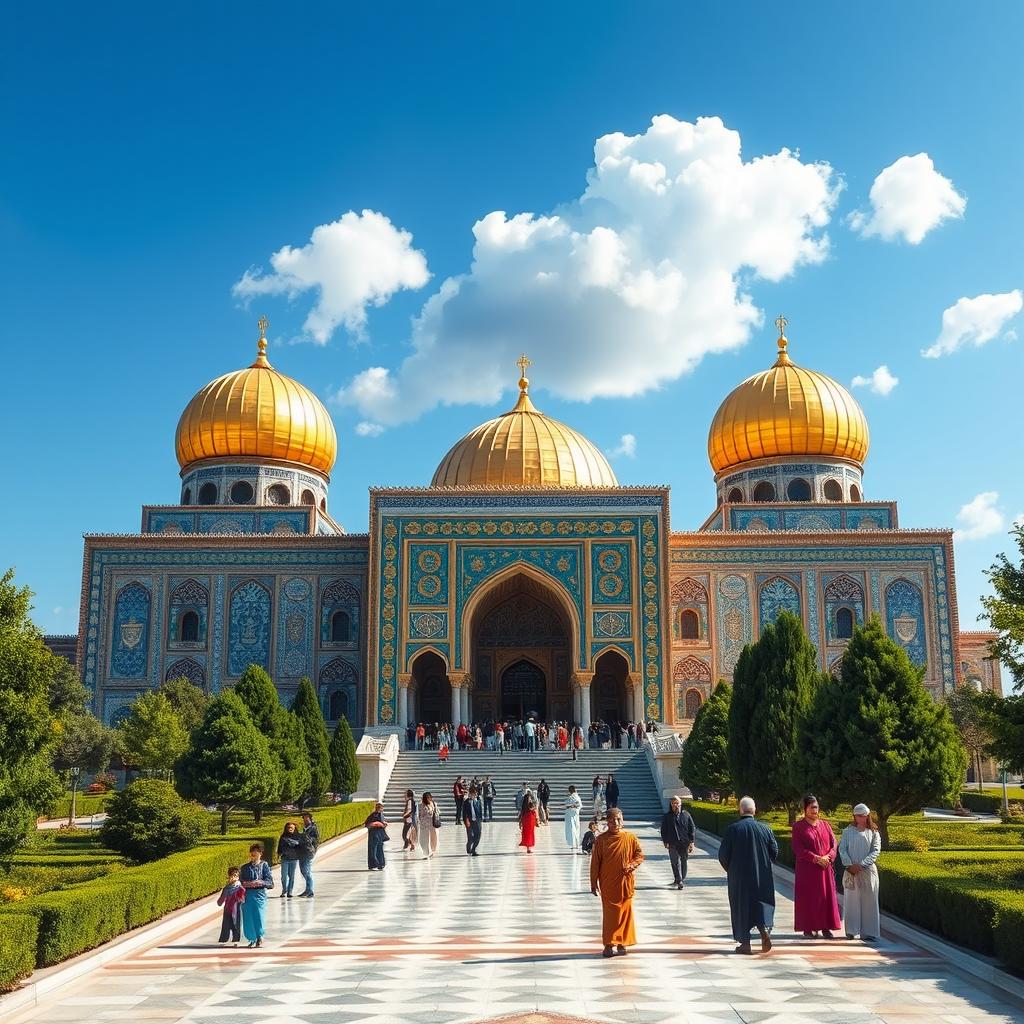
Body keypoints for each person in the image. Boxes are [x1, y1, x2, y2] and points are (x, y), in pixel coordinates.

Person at [717, 796, 778, 955]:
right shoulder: (765, 829)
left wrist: (731, 870)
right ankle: (764, 929)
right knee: (761, 903)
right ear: (754, 810)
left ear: (740, 810)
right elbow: (775, 852)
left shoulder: (733, 829)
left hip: (740, 878)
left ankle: (745, 943)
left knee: (742, 907)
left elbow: (723, 855)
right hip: (762, 876)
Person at [590, 807, 644, 958]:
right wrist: (593, 882)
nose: (616, 822)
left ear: (623, 820)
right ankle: (608, 944)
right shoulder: (601, 840)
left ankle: (622, 943)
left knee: (625, 914)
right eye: (612, 820)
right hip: (608, 883)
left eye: (619, 819)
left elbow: (639, 855)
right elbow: (595, 863)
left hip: (625, 883)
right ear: (607, 821)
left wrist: (632, 865)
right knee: (610, 914)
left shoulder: (630, 838)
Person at [792, 794, 841, 939]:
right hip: (808, 870)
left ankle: (826, 927)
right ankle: (809, 927)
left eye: (816, 807)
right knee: (810, 898)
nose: (815, 810)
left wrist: (829, 857)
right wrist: (815, 858)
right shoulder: (798, 827)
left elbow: (834, 844)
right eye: (812, 807)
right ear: (805, 809)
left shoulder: (825, 825)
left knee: (826, 897)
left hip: (825, 869)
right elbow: (797, 848)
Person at [838, 803, 882, 942]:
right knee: (851, 900)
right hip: (851, 871)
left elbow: (875, 851)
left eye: (863, 816)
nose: (861, 818)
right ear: (854, 816)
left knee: (870, 901)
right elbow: (842, 849)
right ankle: (851, 930)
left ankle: (869, 932)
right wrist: (849, 865)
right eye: (858, 816)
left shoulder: (874, 833)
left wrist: (862, 865)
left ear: (868, 816)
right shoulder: (847, 831)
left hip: (868, 871)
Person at [239, 843, 274, 947]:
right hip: (247, 894)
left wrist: (260, 882)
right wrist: (246, 884)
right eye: (252, 853)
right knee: (248, 916)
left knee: (259, 915)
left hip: (259, 894)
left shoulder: (264, 865)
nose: (254, 855)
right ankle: (251, 938)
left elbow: (270, 882)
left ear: (260, 854)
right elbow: (240, 881)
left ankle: (260, 936)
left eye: (256, 853)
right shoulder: (245, 867)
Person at [659, 796, 696, 889]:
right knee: (675, 862)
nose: (675, 805)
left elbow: (692, 828)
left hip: (684, 842)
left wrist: (691, 842)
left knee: (684, 861)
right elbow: (663, 830)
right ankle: (679, 880)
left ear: (680, 804)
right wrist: (665, 841)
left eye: (677, 803)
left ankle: (681, 879)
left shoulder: (686, 815)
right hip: (672, 842)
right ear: (671, 805)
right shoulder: (667, 816)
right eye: (673, 803)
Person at [216, 866, 245, 945]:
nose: (234, 877)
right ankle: (223, 939)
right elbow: (219, 902)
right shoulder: (226, 888)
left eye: (236, 876)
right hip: (228, 910)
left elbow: (242, 899)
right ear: (229, 876)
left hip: (237, 909)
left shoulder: (240, 888)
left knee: (237, 924)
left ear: (238, 877)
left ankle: (236, 939)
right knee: (226, 925)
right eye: (232, 875)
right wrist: (226, 889)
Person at [276, 821, 302, 897]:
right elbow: (279, 847)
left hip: (294, 859)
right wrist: (278, 854)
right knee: (284, 876)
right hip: (285, 859)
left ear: (294, 828)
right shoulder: (283, 836)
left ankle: (289, 892)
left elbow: (300, 847)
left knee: (292, 876)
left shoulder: (297, 837)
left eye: (291, 827)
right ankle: (284, 890)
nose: (290, 829)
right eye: (288, 827)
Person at [298, 811, 319, 898]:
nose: (305, 819)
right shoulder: (305, 828)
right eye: (304, 818)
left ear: (310, 818)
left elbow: (316, 840)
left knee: (307, 870)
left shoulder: (313, 828)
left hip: (309, 852)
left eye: (307, 818)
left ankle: (310, 890)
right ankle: (307, 889)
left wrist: (307, 840)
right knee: (303, 871)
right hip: (302, 852)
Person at [364, 802, 389, 870]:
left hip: (378, 834)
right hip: (374, 834)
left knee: (377, 849)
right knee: (374, 849)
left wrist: (382, 824)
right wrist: (377, 824)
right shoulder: (374, 815)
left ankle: (378, 864)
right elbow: (368, 824)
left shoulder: (380, 815)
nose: (382, 810)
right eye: (381, 808)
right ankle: (377, 864)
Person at [463, 784, 484, 855]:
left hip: (477, 821)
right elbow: (464, 813)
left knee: (478, 835)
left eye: (476, 793)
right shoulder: (466, 802)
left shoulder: (478, 801)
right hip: (469, 821)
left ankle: (474, 849)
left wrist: (480, 819)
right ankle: (469, 848)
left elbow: (480, 810)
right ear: (470, 794)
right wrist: (466, 822)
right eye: (473, 794)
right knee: (471, 837)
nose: (475, 795)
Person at [418, 792, 439, 859]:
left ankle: (432, 852)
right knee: (424, 840)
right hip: (424, 826)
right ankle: (426, 853)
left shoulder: (434, 804)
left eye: (429, 797)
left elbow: (438, 812)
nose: (428, 799)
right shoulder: (421, 805)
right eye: (426, 798)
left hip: (432, 825)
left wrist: (433, 812)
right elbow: (420, 815)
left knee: (433, 839)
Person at [564, 785, 583, 853]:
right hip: (576, 814)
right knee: (577, 828)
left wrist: (571, 806)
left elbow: (566, 804)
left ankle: (573, 843)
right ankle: (577, 843)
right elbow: (579, 805)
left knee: (572, 829)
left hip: (570, 814)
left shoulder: (571, 797)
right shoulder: (577, 797)